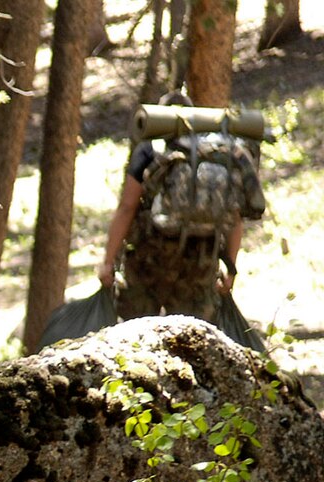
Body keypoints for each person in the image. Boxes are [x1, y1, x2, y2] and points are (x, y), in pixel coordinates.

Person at [98, 105, 251, 323]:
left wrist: (108, 261)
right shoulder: (218, 155)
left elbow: (127, 207)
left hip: (150, 258)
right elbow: (235, 218)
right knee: (192, 336)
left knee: (137, 332)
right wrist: (231, 269)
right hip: (201, 261)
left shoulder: (151, 149)